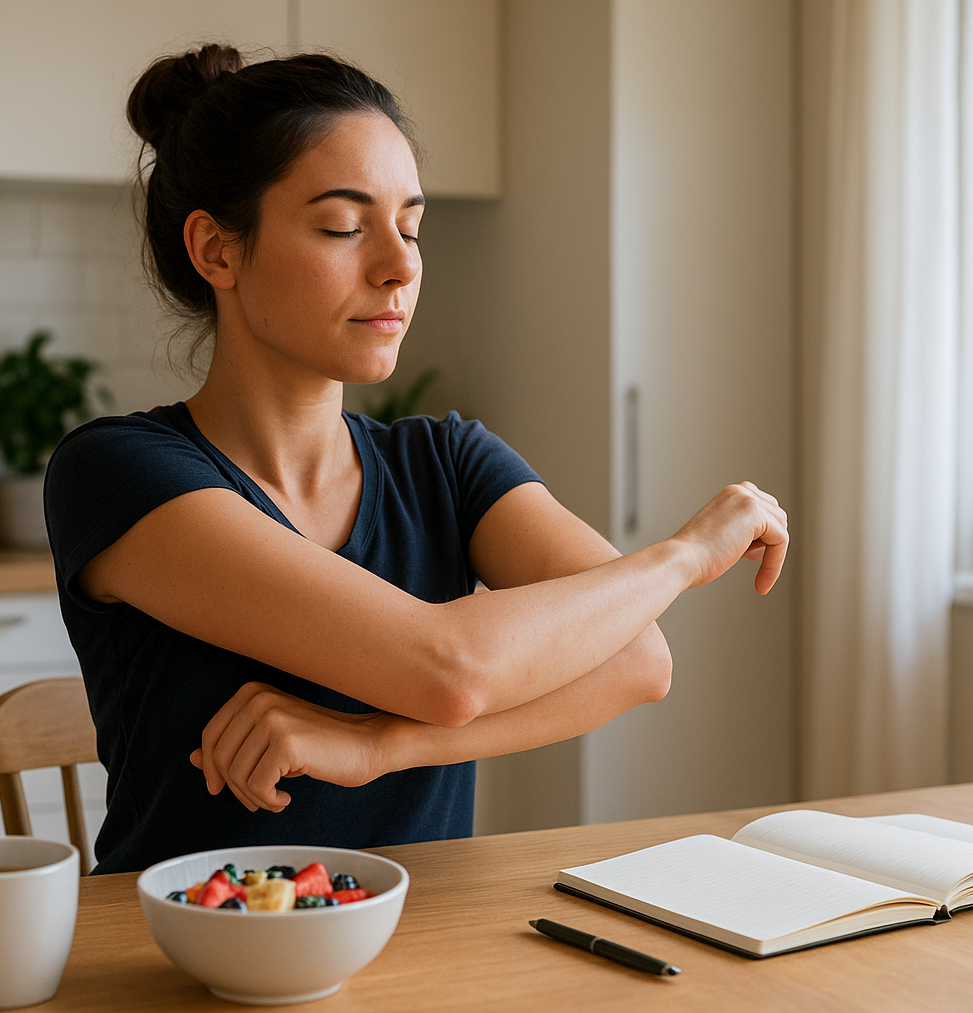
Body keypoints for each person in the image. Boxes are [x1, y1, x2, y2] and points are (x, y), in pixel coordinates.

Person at [44, 45, 789, 874]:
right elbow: (447, 668)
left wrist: (377, 747)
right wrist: (684, 554)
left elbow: (638, 660)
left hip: (424, 953)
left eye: (410, 227)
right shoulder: (116, 471)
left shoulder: (448, 461)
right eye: (343, 227)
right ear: (217, 250)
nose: (400, 267)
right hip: (182, 961)